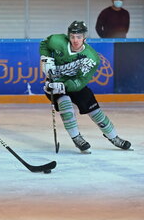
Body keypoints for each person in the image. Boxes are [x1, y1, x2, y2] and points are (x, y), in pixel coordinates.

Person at [40, 20, 132, 153]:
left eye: (79, 37)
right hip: (55, 81)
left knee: (95, 111)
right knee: (65, 105)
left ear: (84, 37)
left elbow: (81, 81)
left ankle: (113, 137)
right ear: (68, 36)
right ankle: (77, 137)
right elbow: (44, 44)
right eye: (72, 36)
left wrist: (64, 86)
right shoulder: (57, 40)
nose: (75, 40)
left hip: (75, 84)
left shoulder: (91, 57)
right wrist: (45, 57)